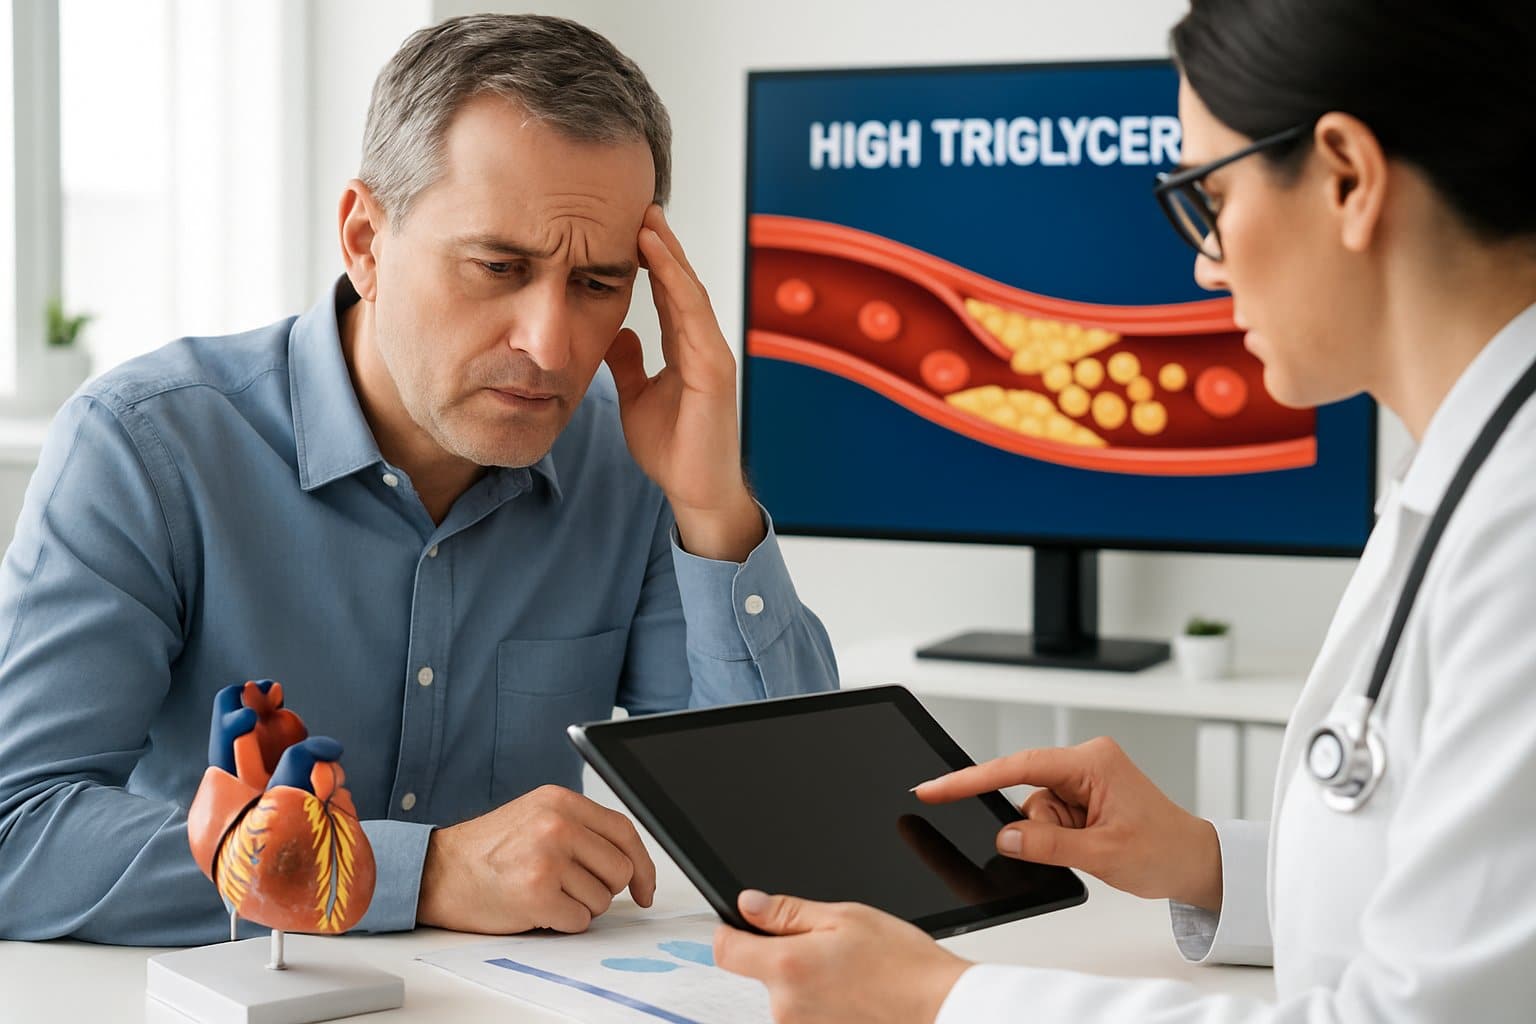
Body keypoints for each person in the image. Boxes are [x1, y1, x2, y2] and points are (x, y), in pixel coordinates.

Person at [714, 0, 1536, 1019]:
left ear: (1347, 178)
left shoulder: (1520, 525)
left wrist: (942, 1001)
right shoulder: (1468, 476)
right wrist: (1199, 858)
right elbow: (1446, 915)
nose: (1204, 262)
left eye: (1209, 198)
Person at [0, 13, 837, 946]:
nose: (552, 347)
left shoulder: (629, 464)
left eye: (598, 284)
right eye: (498, 267)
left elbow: (788, 843)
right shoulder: (146, 449)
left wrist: (712, 508)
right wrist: (417, 871)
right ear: (365, 238)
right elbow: (16, 832)